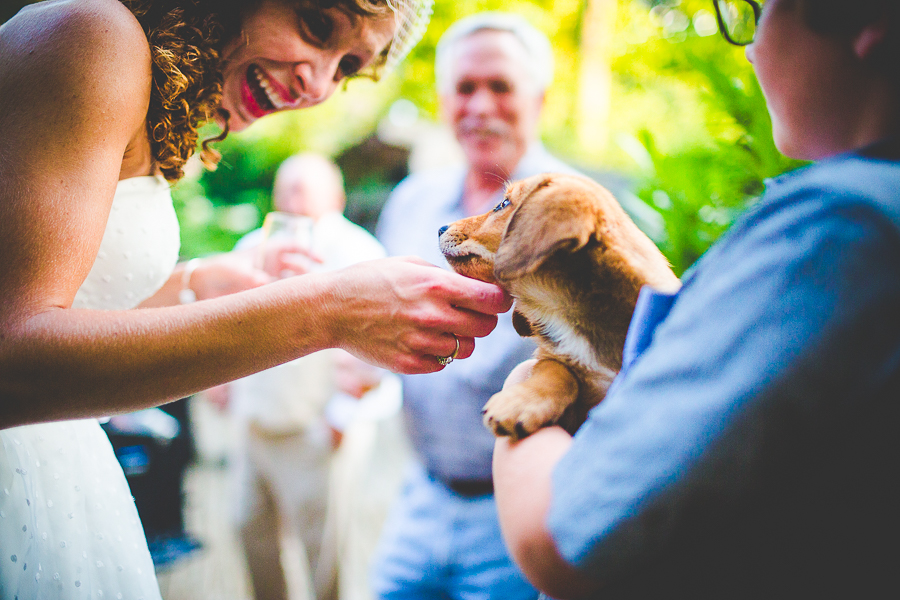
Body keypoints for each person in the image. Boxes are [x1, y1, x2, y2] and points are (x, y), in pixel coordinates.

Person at [0, 0, 517, 598]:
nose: (317, 83)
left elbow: (61, 299)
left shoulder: (145, 92)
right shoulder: (89, 35)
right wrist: (326, 311)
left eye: (346, 67)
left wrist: (194, 283)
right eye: (317, 26)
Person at [492, 0, 900, 598]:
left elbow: (565, 537)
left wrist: (531, 385)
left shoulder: (842, 227)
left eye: (756, 14)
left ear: (870, 20)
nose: (751, 46)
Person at [371, 12, 579, 600]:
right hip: (419, 494)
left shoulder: (575, 217)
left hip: (518, 512)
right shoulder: (412, 203)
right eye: (465, 88)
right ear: (443, 100)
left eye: (500, 86)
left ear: (538, 99)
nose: (480, 106)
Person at [223, 152, 387, 600]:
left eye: (304, 186)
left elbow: (381, 352)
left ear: (334, 195)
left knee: (324, 550)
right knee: (249, 531)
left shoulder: (359, 253)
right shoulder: (250, 247)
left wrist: (345, 411)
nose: (293, 194)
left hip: (316, 429)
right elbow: (225, 323)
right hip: (254, 423)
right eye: (286, 185)